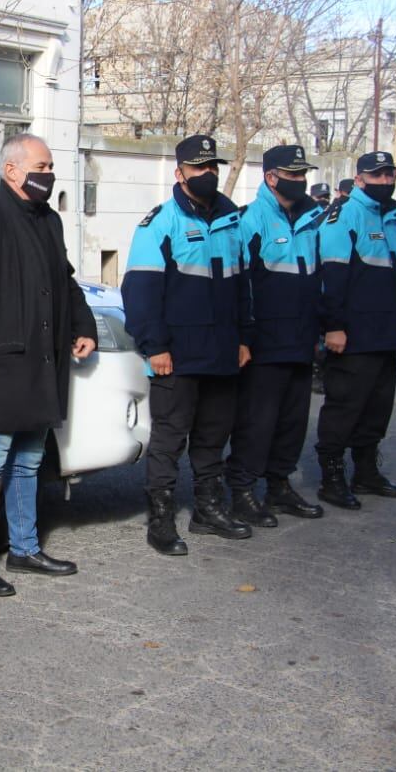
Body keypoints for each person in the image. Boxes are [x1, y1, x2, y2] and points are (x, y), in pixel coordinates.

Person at [0, 134, 97, 597]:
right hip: (3, 368)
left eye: (51, 166)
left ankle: (24, 548)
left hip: (42, 364)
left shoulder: (48, 219)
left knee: (30, 461)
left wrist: (83, 325)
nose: (48, 174)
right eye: (40, 165)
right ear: (11, 170)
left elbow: (65, 281)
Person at [121, 135, 253, 557]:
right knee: (169, 439)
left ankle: (208, 510)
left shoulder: (232, 217)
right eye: (199, 168)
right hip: (175, 356)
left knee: (213, 437)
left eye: (213, 166)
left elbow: (243, 287)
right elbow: (140, 290)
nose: (208, 173)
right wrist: (154, 347)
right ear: (179, 174)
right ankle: (160, 519)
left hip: (222, 351)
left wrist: (244, 338)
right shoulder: (161, 222)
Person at [224, 146, 325, 528]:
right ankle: (242, 490)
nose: (300, 181)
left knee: (292, 421)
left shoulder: (310, 219)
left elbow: (317, 281)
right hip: (265, 343)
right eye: (293, 174)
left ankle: (279, 485)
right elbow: (241, 284)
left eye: (302, 175)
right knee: (257, 422)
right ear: (271, 177)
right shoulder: (251, 220)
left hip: (300, 339)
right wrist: (244, 337)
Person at [314, 151, 396, 511]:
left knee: (377, 407)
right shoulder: (344, 216)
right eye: (377, 176)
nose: (385, 181)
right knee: (345, 406)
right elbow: (331, 277)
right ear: (358, 180)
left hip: (384, 332)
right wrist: (334, 327)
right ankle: (332, 478)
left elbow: (393, 277)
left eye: (390, 175)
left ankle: (366, 472)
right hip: (352, 335)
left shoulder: (391, 219)